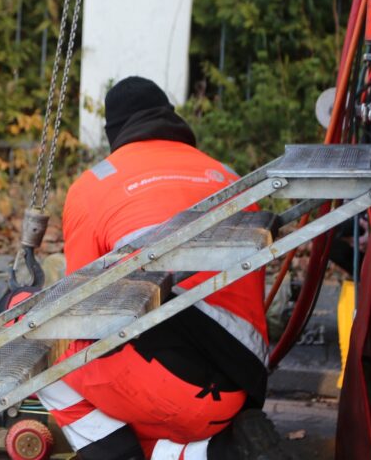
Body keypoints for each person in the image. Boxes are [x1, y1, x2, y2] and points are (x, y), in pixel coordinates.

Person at [37, 77, 287, 460]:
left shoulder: (93, 186)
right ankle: (214, 452)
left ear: (113, 132)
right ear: (171, 118)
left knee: (25, 325)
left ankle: (116, 454)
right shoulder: (230, 177)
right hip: (240, 388)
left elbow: (83, 313)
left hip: (164, 391)